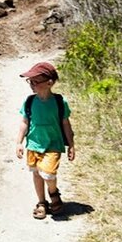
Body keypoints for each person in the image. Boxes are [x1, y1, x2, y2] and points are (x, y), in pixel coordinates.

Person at [15, 61, 75, 219]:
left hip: (53, 144)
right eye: (30, 81)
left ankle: (53, 193)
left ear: (49, 83)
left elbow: (66, 124)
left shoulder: (59, 102)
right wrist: (19, 142)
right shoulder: (29, 102)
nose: (31, 85)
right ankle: (41, 202)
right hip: (34, 144)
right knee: (36, 173)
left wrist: (71, 145)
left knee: (48, 174)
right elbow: (24, 123)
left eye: (35, 81)